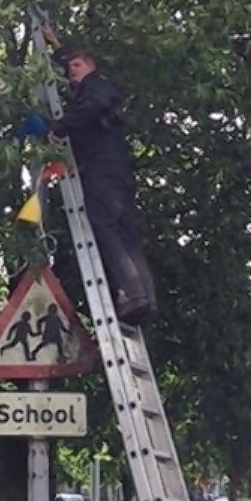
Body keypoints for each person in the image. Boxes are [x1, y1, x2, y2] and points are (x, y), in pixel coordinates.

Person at [42, 24, 157, 326]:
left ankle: (133, 293)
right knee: (125, 234)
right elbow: (75, 80)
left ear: (91, 67)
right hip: (116, 170)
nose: (72, 72)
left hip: (103, 168)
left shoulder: (97, 86)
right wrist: (57, 46)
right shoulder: (88, 88)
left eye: (77, 66)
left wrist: (60, 127)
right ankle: (143, 296)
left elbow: (94, 103)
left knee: (102, 224)